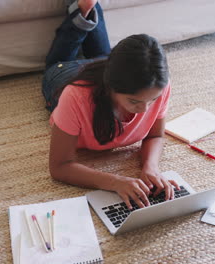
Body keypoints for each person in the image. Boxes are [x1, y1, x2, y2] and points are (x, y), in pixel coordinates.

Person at [42, 0, 179, 210]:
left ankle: (88, 8)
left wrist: (151, 168)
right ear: (111, 87)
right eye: (134, 101)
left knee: (104, 57)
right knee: (60, 59)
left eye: (152, 100)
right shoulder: (75, 96)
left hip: (105, 67)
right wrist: (115, 182)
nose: (145, 110)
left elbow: (155, 135)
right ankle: (80, 11)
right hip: (63, 75)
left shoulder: (158, 85)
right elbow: (59, 166)